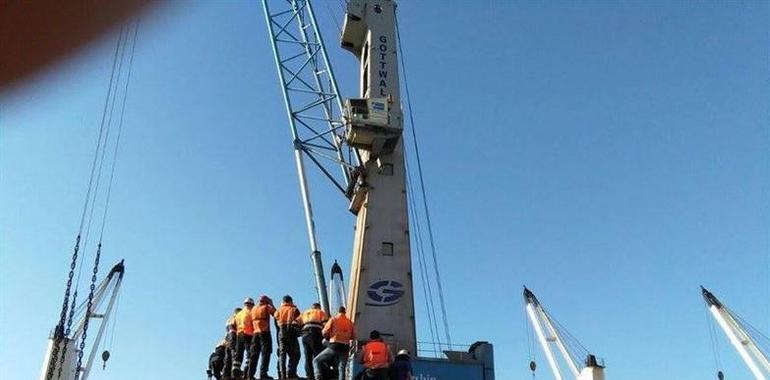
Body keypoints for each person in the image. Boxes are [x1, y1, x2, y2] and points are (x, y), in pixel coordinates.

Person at [313, 306, 355, 380]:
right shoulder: (350, 322)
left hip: (335, 345)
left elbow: (324, 331)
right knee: (342, 368)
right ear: (345, 313)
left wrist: (327, 337)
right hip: (345, 347)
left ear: (338, 312)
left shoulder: (333, 319)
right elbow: (353, 336)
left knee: (316, 360)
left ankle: (318, 375)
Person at [296, 303, 328, 379]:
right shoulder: (320, 312)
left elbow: (295, 322)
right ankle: (320, 374)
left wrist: (300, 332)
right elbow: (325, 325)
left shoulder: (304, 313)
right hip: (315, 334)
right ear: (318, 307)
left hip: (305, 335)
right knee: (318, 355)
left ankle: (309, 376)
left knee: (307, 356)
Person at [249, 295, 276, 379]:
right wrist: (272, 304)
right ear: (266, 301)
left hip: (255, 334)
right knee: (266, 353)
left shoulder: (253, 309)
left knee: (254, 355)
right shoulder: (267, 307)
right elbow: (276, 315)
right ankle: (263, 374)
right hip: (264, 333)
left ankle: (250, 375)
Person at [274, 295, 301, 378]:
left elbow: (276, 326)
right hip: (291, 332)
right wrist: (298, 333)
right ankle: (291, 373)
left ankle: (282, 375)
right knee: (296, 354)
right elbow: (299, 323)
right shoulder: (294, 309)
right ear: (290, 301)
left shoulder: (278, 311)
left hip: (281, 333)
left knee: (282, 354)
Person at [232, 298, 256, 379]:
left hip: (239, 334)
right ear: (252, 304)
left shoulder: (239, 314)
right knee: (250, 353)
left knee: (239, 353)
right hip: (249, 334)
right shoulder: (252, 312)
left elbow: (233, 324)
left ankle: (235, 372)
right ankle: (247, 372)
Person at [224, 307, 241, 380]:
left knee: (228, 358)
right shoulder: (236, 318)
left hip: (228, 340)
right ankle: (235, 374)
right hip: (234, 338)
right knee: (235, 356)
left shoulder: (228, 320)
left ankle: (226, 375)